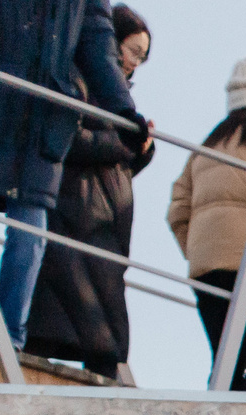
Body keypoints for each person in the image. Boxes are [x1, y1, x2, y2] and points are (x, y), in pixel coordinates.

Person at [0, 0, 143, 348]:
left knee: (30, 234)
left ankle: (10, 334)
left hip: (40, 120)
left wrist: (124, 109)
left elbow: (98, 44)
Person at [21, 6, 151, 379]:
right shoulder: (78, 79)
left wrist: (143, 151)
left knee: (100, 332)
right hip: (73, 216)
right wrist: (127, 145)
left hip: (104, 226)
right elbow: (69, 138)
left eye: (142, 58)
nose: (135, 64)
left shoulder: (119, 99)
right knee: (63, 322)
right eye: (133, 52)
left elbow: (114, 165)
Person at [167, 56, 246, 392]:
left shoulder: (205, 147)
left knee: (227, 361)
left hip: (207, 269)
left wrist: (200, 251)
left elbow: (177, 211)